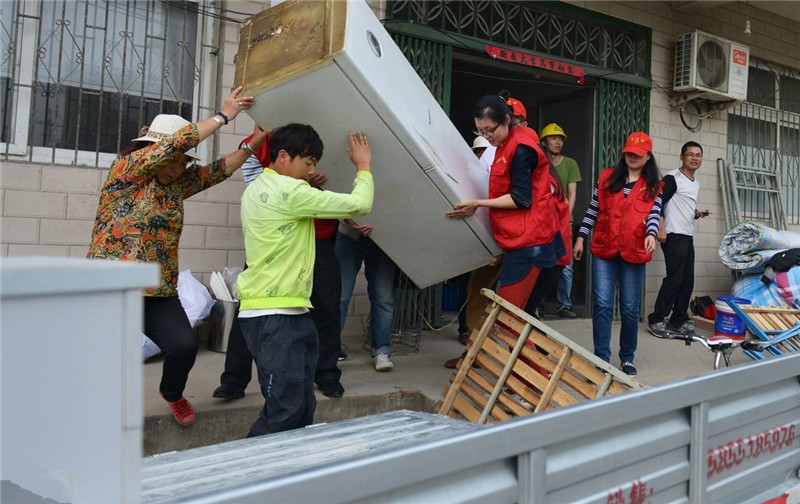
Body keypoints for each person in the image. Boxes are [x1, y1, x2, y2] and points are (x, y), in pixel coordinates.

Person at [86, 86, 266, 426]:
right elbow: (172, 144)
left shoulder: (176, 186)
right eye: (174, 159)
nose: (178, 166)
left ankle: (171, 392)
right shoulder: (125, 172)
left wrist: (252, 144)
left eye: (183, 162)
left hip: (157, 291)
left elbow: (219, 170)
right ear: (152, 151)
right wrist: (222, 115)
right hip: (111, 288)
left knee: (183, 347)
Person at [237, 125, 373, 436]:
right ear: (283, 156)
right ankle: (241, 474)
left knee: (301, 406)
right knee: (285, 409)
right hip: (275, 316)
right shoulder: (290, 192)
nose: (311, 171)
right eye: (307, 163)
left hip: (289, 310)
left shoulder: (257, 188)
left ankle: (290, 475)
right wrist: (363, 165)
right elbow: (360, 204)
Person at [213, 138, 347, 400]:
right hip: (273, 244)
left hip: (320, 239)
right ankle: (234, 380)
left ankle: (327, 374)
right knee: (248, 309)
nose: (310, 168)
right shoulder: (276, 141)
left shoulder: (329, 135)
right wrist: (304, 184)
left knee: (328, 307)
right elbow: (259, 185)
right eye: (307, 163)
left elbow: (350, 199)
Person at [447, 94, 561, 312]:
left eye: (490, 129)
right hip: (517, 239)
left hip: (529, 243)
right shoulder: (502, 145)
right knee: (514, 316)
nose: (486, 136)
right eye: (481, 131)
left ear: (507, 120)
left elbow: (521, 198)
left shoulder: (520, 149)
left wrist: (478, 203)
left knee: (509, 317)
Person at [573, 132, 663, 377]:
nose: (632, 157)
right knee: (602, 304)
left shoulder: (654, 185)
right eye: (629, 152)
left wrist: (651, 235)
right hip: (604, 248)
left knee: (630, 308)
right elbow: (593, 209)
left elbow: (654, 214)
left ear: (648, 157)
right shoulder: (606, 178)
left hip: (634, 251)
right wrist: (581, 237)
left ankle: (627, 357)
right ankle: (602, 357)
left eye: (638, 154)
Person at [648, 141, 710, 337]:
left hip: (687, 234)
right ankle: (657, 319)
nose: (694, 158)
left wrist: (696, 214)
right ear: (681, 157)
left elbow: (680, 206)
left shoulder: (695, 182)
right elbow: (658, 202)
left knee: (687, 280)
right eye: (690, 154)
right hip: (673, 234)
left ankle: (678, 320)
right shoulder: (672, 178)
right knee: (674, 279)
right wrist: (661, 227)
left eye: (698, 155)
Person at [336, 220, 399, 372]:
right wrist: (350, 221)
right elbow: (336, 195)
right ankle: (329, 352)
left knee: (384, 298)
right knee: (339, 297)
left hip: (384, 236)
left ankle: (382, 351)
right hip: (348, 233)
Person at [540, 123, 582, 319]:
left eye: (560, 139)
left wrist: (568, 219)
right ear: (544, 141)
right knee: (541, 262)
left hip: (563, 221)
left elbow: (572, 193)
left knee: (566, 265)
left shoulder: (570, 163)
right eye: (553, 138)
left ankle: (564, 304)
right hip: (542, 220)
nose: (558, 142)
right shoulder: (540, 161)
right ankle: (537, 303)